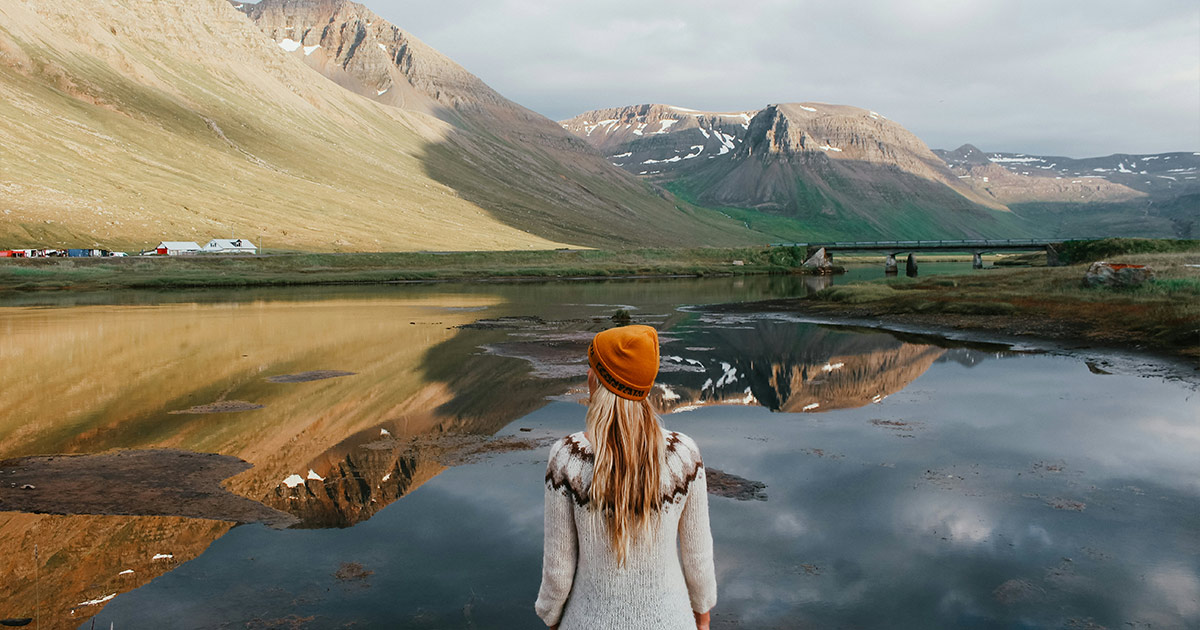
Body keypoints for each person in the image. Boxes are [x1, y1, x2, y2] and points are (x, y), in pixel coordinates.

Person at [535, 325, 717, 630]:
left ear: (597, 380)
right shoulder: (684, 455)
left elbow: (558, 571)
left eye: (592, 368)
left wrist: (552, 619)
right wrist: (703, 619)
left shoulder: (567, 458)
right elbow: (697, 557)